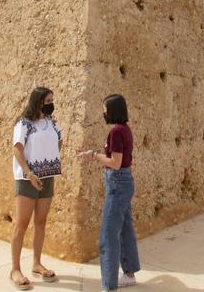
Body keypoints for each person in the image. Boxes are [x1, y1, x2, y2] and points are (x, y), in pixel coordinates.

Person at [78, 94, 140, 291]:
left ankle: (109, 286)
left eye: (105, 109)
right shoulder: (125, 130)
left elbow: (115, 163)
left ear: (112, 110)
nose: (103, 113)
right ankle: (129, 274)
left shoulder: (116, 132)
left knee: (107, 236)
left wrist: (94, 156)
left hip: (118, 185)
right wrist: (94, 155)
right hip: (124, 182)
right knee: (125, 229)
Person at [10, 87, 62, 290]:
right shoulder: (24, 123)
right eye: (48, 100)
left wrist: (49, 161)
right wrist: (29, 172)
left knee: (41, 222)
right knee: (21, 225)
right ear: (38, 101)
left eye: (52, 100)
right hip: (27, 179)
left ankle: (36, 263)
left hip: (48, 177)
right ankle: (15, 269)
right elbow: (17, 148)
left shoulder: (52, 123)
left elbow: (59, 141)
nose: (51, 103)